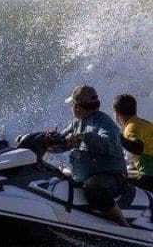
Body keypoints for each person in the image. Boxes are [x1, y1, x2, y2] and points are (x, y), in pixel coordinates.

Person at [48, 85, 129, 225]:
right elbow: (62, 142)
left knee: (94, 188)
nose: (71, 108)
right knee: (56, 177)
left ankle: (124, 225)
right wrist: (47, 142)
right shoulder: (76, 123)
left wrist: (84, 137)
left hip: (113, 177)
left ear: (77, 107)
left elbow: (109, 145)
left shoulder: (104, 121)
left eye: (72, 105)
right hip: (84, 175)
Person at [113, 93, 153, 192]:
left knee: (114, 181)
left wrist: (117, 136)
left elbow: (138, 148)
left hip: (149, 177)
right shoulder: (146, 123)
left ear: (116, 113)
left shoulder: (131, 127)